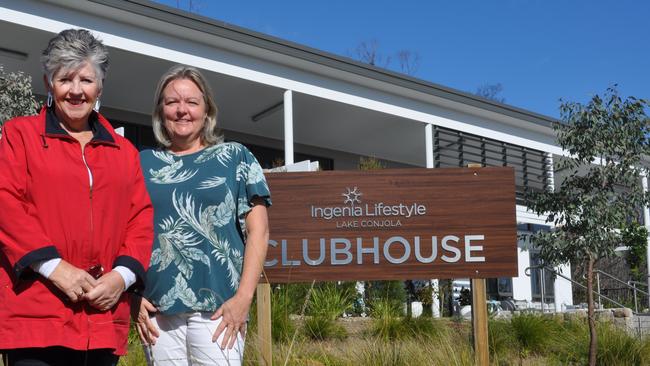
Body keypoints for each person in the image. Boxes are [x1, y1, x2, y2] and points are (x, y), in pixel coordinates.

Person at [0, 29, 153, 366]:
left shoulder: (125, 152)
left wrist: (121, 277)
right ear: (48, 83)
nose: (75, 90)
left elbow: (140, 219)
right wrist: (54, 268)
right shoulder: (19, 135)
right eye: (64, 78)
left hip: (102, 318)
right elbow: (5, 203)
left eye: (86, 79)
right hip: (36, 316)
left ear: (100, 87)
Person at [134, 65, 271, 365]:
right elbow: (123, 231)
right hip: (158, 318)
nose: (182, 110)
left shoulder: (235, 158)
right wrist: (132, 296)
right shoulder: (142, 163)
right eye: (172, 102)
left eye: (192, 102)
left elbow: (258, 231)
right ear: (160, 111)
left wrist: (244, 299)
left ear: (207, 110)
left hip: (219, 313)